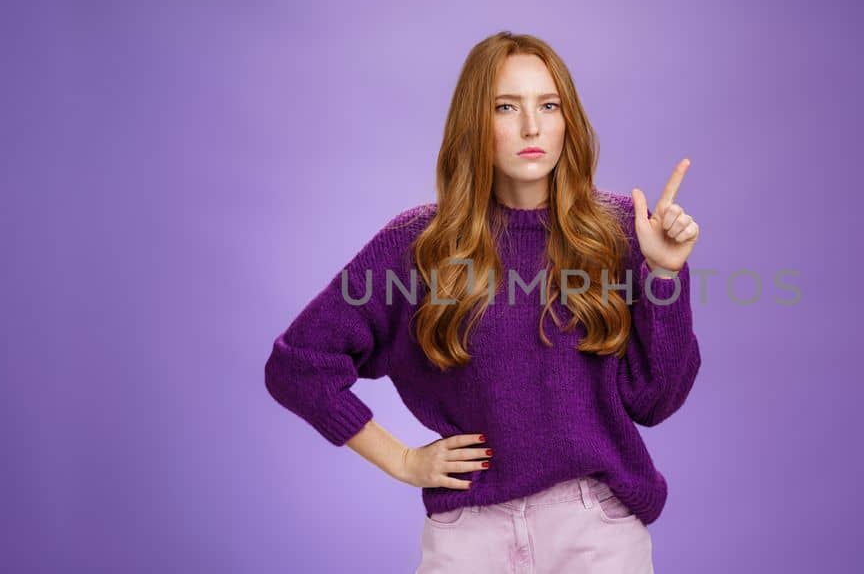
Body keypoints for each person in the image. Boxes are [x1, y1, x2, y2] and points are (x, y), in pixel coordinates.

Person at [264, 30, 702, 573]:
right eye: (505, 107)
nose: (531, 126)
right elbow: (297, 367)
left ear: (568, 119)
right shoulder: (417, 245)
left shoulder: (617, 231)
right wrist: (402, 460)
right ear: (476, 121)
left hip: (594, 529)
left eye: (548, 104)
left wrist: (663, 272)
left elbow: (657, 399)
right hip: (468, 537)